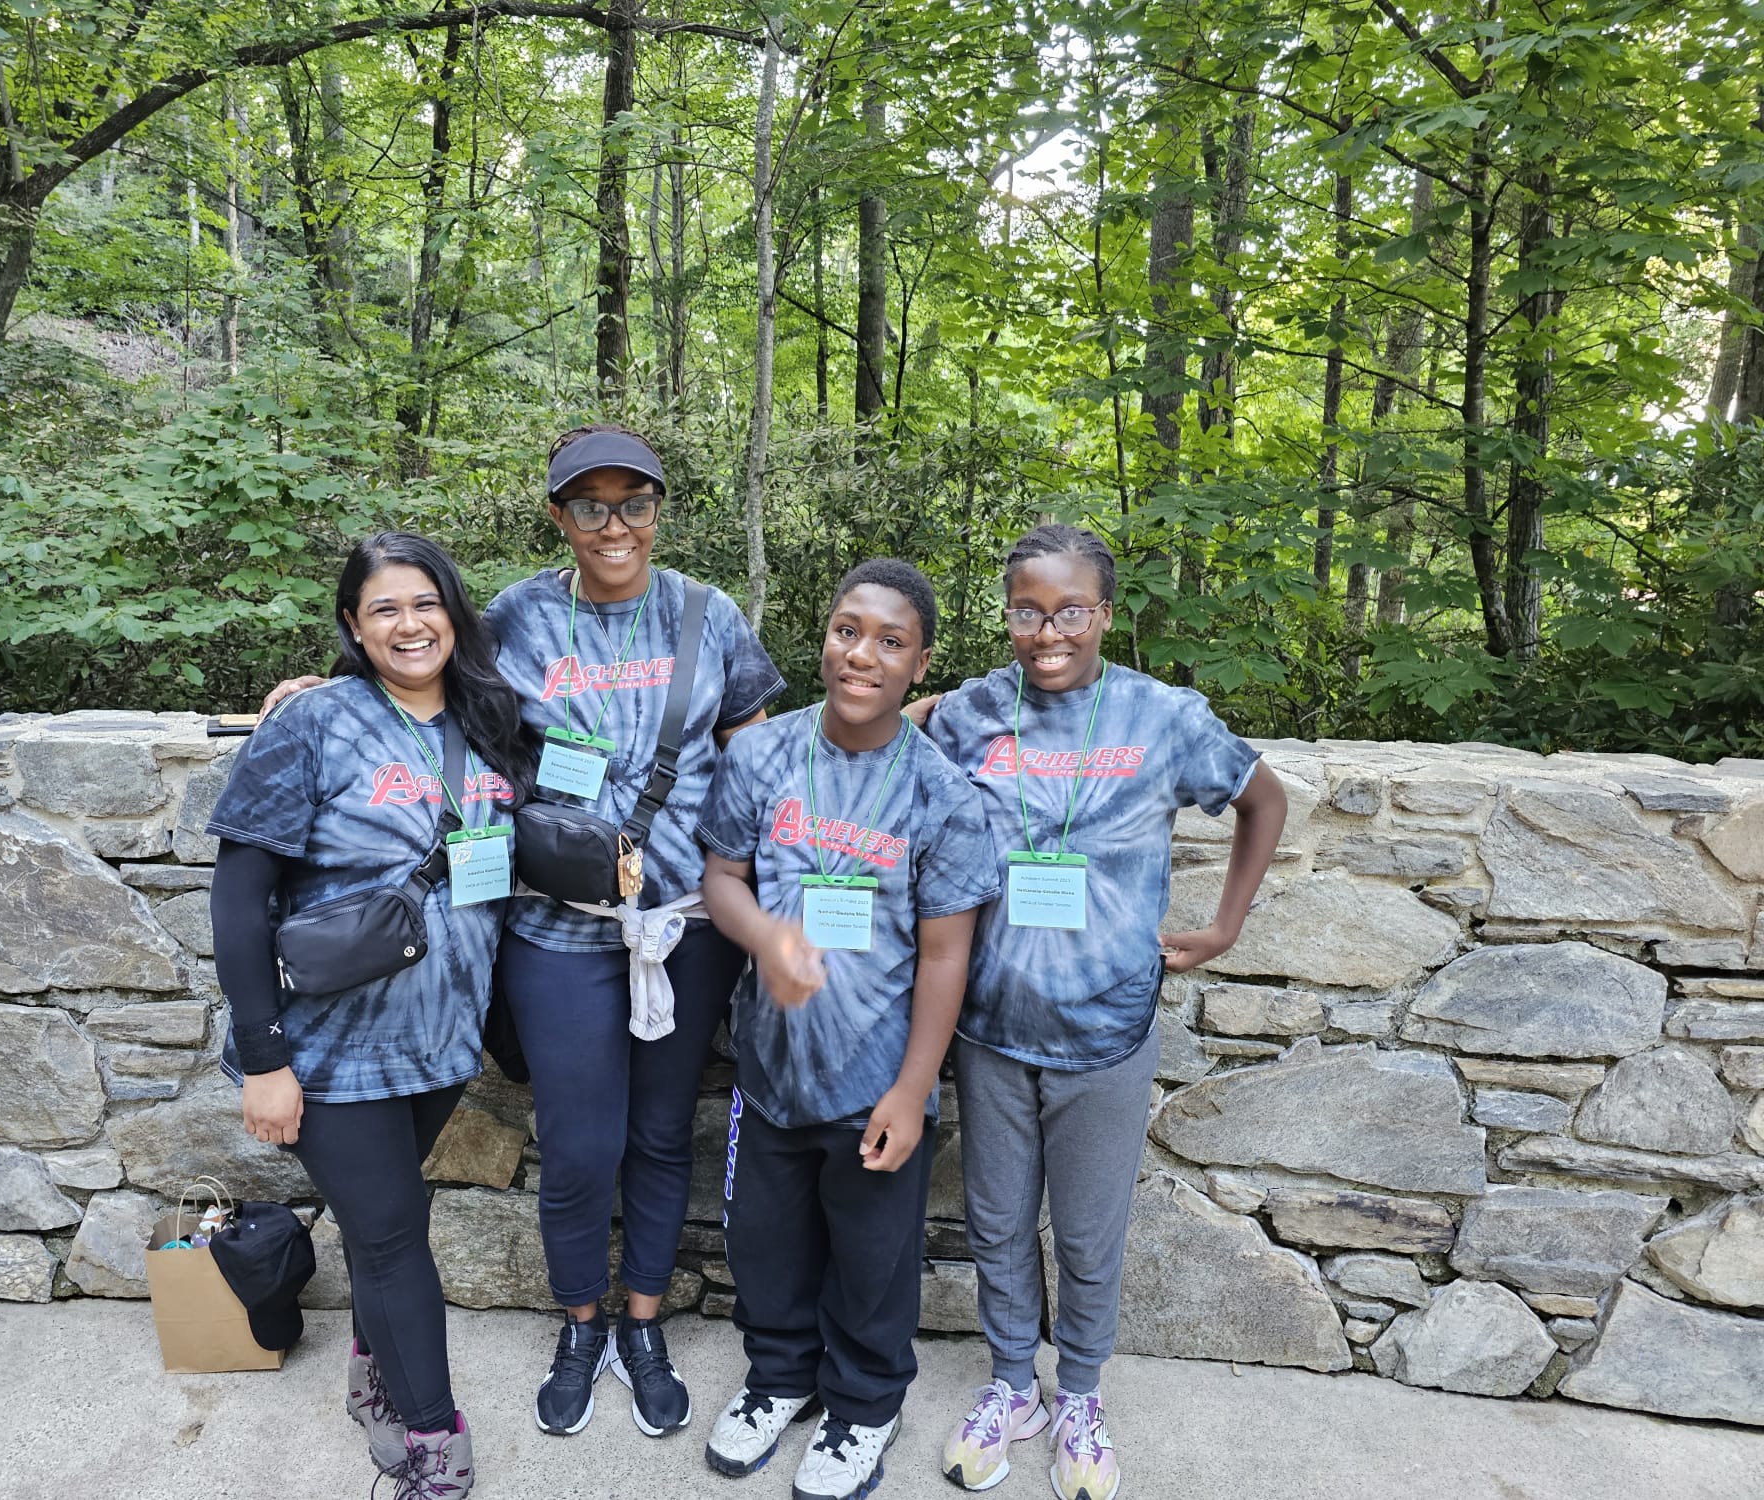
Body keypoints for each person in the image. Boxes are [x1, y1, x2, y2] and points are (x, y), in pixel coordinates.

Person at [261, 424, 785, 1442]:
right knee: (580, 1147)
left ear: (657, 508)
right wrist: (332, 687)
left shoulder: (707, 617)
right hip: (555, 928)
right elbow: (424, 684)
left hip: (683, 928)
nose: (613, 523)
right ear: (558, 515)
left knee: (658, 1137)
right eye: (588, 504)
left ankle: (643, 1324)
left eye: (632, 502)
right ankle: (579, 1322)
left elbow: (760, 761)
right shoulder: (517, 619)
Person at [917, 524, 1287, 1500]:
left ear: (1103, 615)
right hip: (990, 1026)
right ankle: (1012, 1385)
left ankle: (1077, 1392)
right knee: (994, 1224)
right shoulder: (968, 715)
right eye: (1026, 610)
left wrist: (1222, 928)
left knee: (1085, 1234)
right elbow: (884, 739)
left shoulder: (1160, 717)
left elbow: (1263, 800)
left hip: (1106, 1025)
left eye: (1068, 610)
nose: (1047, 631)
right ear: (1006, 615)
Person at [209, 532, 535, 1500]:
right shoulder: (313, 726)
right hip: (327, 1050)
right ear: (353, 626)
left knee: (377, 1223)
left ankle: (375, 1380)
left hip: (439, 1044)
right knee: (393, 1238)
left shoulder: (489, 719)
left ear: (452, 612)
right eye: (383, 608)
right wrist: (265, 1057)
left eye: (424, 602)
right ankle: (435, 1446)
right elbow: (237, 898)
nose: (408, 623)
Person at [695, 558, 998, 1500]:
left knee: (872, 1260)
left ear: (920, 664)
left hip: (877, 1080)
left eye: (890, 641)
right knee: (764, 1242)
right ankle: (779, 1379)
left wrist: (913, 1092)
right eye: (846, 629)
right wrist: (764, 936)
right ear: (822, 636)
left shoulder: (941, 796)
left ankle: (867, 1403)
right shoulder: (762, 757)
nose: (862, 654)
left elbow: (947, 957)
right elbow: (721, 880)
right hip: (772, 1072)